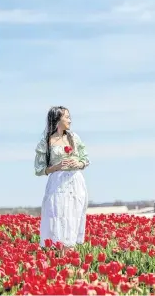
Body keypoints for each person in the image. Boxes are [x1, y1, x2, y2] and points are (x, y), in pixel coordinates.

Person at [34, 106, 90, 253]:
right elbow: (39, 169)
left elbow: (85, 159)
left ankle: (70, 255)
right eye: (66, 117)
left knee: (73, 215)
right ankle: (59, 254)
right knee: (57, 215)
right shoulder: (46, 141)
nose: (70, 120)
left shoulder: (74, 138)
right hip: (57, 183)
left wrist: (79, 163)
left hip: (75, 181)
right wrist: (56, 166)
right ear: (57, 120)